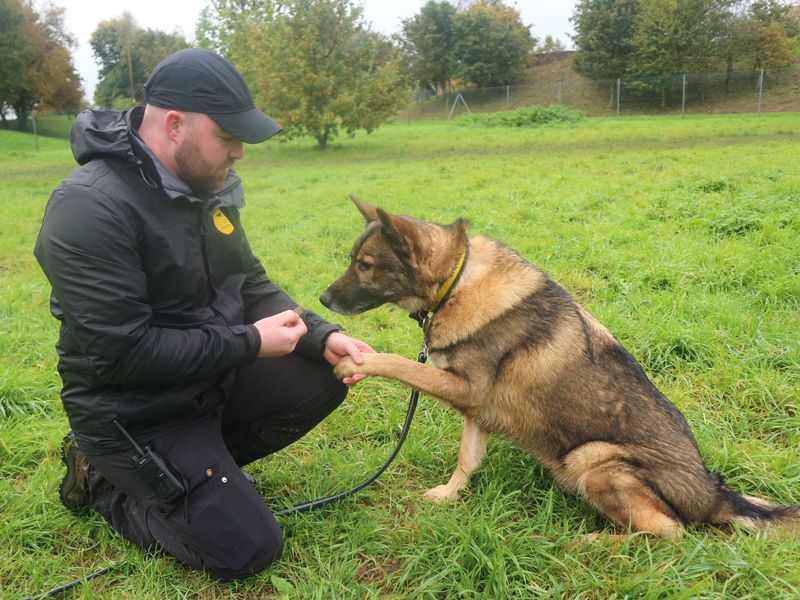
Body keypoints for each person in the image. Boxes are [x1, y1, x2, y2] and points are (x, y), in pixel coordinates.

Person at [34, 48, 371, 581]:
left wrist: (322, 335)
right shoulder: (88, 209)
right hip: (134, 413)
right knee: (247, 550)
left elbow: (252, 284)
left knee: (321, 374)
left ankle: (200, 473)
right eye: (228, 137)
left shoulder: (205, 188)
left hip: (204, 380)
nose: (239, 151)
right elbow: (121, 355)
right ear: (174, 125)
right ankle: (104, 481)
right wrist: (249, 343)